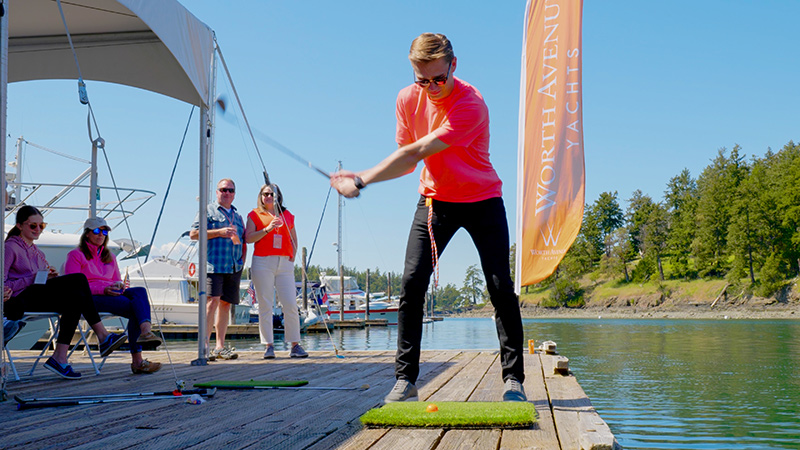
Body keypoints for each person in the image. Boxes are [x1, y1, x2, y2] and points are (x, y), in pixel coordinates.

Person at [331, 33, 526, 402]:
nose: (433, 88)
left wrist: (360, 179)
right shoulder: (407, 99)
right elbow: (409, 160)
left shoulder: (471, 104)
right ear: (413, 73)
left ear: (454, 65)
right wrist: (364, 178)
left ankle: (513, 380)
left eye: (439, 78)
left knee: (500, 287)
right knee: (411, 284)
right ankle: (405, 381)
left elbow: (419, 149)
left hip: (483, 199)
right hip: (436, 201)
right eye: (424, 80)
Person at [3, 205, 126, 379]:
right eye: (33, 226)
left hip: (36, 295)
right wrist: (33, 278)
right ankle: (102, 335)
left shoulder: (36, 251)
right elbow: (4, 283)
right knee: (79, 279)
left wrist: (50, 277)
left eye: (41, 226)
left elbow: (38, 279)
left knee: (75, 299)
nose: (38, 229)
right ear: (20, 226)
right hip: (18, 299)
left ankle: (59, 357)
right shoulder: (10, 247)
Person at [63, 217, 163, 374]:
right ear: (87, 233)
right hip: (90, 298)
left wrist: (118, 286)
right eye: (97, 231)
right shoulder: (76, 255)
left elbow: (116, 279)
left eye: (104, 231)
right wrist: (103, 290)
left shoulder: (110, 257)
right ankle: (138, 359)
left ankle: (145, 332)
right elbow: (73, 285)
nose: (101, 234)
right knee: (136, 308)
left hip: (111, 294)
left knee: (139, 291)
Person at [245, 184, 307, 359]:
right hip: (263, 261)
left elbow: (294, 237)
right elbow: (249, 238)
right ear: (261, 196)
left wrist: (292, 255)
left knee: (290, 304)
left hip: (284, 263)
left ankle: (295, 344)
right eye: (265, 194)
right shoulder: (254, 214)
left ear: (278, 196)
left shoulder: (287, 215)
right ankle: (268, 346)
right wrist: (267, 229)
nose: (268, 197)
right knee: (265, 304)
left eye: (272, 194)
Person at [190, 178, 246, 361]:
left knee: (225, 304)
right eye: (223, 190)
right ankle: (204, 345)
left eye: (230, 190)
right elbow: (194, 234)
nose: (227, 193)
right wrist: (219, 232)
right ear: (217, 192)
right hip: (214, 264)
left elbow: (243, 240)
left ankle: (220, 346)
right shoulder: (207, 211)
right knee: (211, 302)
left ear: (234, 194)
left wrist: (242, 260)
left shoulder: (238, 216)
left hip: (233, 265)